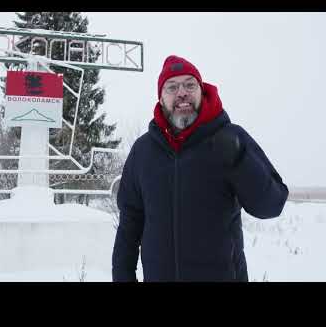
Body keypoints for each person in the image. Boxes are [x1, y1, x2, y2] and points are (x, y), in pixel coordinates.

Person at [112, 55, 289, 282]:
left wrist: (240, 159)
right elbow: (129, 225)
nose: (182, 92)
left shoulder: (231, 138)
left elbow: (271, 206)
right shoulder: (143, 151)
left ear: (201, 91)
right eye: (172, 87)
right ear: (161, 98)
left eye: (189, 85)